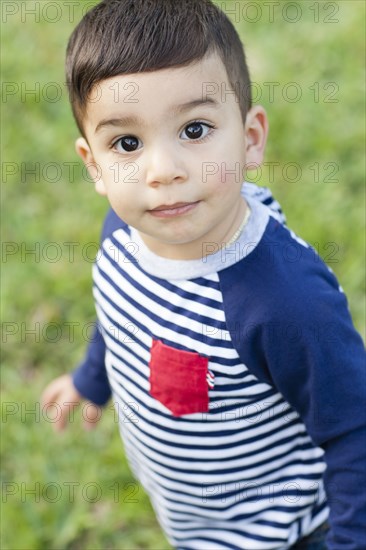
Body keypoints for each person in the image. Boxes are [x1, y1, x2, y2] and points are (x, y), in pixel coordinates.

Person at [41, 1, 366, 548]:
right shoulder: (122, 237)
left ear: (250, 137)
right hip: (197, 521)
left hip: (286, 531)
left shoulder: (284, 301)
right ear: (93, 164)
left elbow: (355, 428)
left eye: (195, 128)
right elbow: (123, 318)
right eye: (127, 143)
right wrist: (91, 380)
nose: (163, 170)